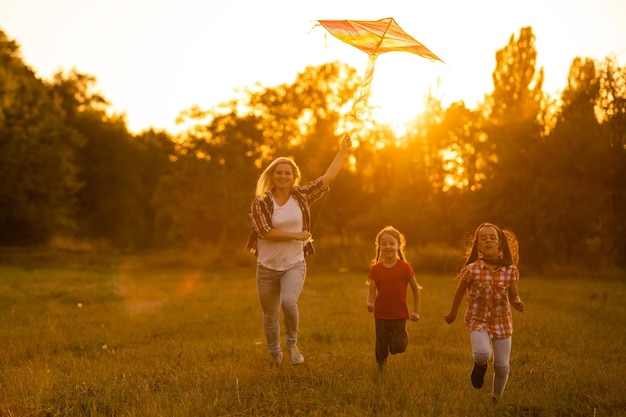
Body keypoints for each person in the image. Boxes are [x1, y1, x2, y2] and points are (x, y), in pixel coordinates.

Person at [246, 135, 352, 367]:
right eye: (279, 172)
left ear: (294, 177)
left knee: (289, 303)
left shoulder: (301, 195)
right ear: (272, 176)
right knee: (269, 316)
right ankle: (275, 354)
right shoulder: (261, 202)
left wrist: (342, 151)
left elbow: (328, 178)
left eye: (288, 173)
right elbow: (265, 232)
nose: (283, 176)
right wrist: (296, 235)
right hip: (266, 267)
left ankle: (292, 343)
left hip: (294, 263)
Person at [444, 222, 526, 404]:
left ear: (500, 244)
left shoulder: (510, 270)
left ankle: (496, 398)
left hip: (502, 320)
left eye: (492, 237)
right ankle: (480, 366)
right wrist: (452, 313)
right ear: (478, 246)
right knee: (482, 353)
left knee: (502, 365)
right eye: (483, 238)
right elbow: (459, 292)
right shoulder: (472, 269)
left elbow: (513, 295)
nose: (488, 240)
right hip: (477, 317)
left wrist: (518, 303)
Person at [366, 226, 421, 367]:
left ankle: (398, 340)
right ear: (379, 247)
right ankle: (381, 368)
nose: (388, 247)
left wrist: (416, 311)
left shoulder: (405, 268)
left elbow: (416, 290)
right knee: (381, 344)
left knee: (398, 347)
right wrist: (369, 302)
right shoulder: (375, 269)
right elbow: (371, 290)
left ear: (398, 245)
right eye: (384, 244)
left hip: (399, 315)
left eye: (391, 243)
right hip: (381, 314)